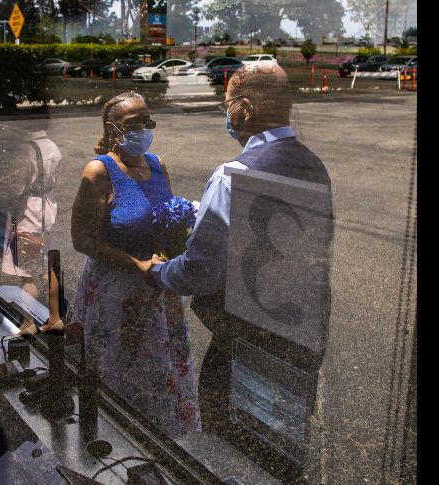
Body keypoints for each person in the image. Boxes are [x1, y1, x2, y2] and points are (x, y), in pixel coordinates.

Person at [142, 63, 332, 457]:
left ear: (245, 109)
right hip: (301, 332)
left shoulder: (233, 176)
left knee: (230, 445)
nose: (225, 112)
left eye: (227, 104)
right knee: (283, 445)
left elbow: (202, 268)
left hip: (245, 339)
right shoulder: (315, 166)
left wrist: (160, 272)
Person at [69, 91, 201, 440]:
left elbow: (167, 222)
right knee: (120, 379)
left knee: (161, 377)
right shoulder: (99, 171)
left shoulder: (157, 164)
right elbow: (82, 240)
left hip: (159, 291)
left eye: (147, 121)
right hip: (116, 296)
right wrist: (136, 264)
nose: (142, 129)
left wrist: (180, 245)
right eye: (133, 124)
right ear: (112, 129)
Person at [0, 129, 62, 300]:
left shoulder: (26, 150)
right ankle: (55, 314)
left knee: (27, 273)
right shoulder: (52, 146)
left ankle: (28, 322)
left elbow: (17, 187)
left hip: (28, 211)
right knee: (46, 264)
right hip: (47, 205)